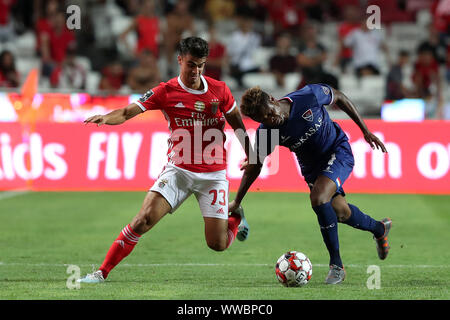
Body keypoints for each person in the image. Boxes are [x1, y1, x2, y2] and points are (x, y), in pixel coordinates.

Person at [78, 37, 251, 283]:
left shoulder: (220, 90)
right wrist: (106, 117)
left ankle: (235, 217)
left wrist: (250, 152)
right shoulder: (165, 91)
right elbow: (128, 112)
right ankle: (101, 272)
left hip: (213, 176)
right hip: (178, 171)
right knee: (142, 220)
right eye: (191, 64)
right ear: (179, 60)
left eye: (201, 65)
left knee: (218, 244)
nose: (196, 71)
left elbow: (238, 124)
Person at [230, 84, 392, 284]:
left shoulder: (308, 96)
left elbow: (340, 97)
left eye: (269, 114)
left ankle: (336, 266)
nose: (270, 120)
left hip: (337, 151)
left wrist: (365, 131)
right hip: (312, 170)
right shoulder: (268, 130)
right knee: (340, 212)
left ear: (272, 99)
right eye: (263, 120)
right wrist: (237, 201)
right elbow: (255, 166)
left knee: (318, 198)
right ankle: (379, 229)